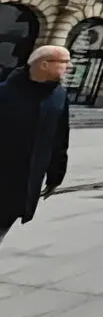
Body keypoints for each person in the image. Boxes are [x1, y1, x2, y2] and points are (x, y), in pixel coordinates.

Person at [0, 45, 71, 247]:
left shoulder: (58, 96)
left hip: (26, 181)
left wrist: (56, 174)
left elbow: (59, 138)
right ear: (44, 64)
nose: (69, 67)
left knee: (4, 223)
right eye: (64, 62)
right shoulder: (5, 93)